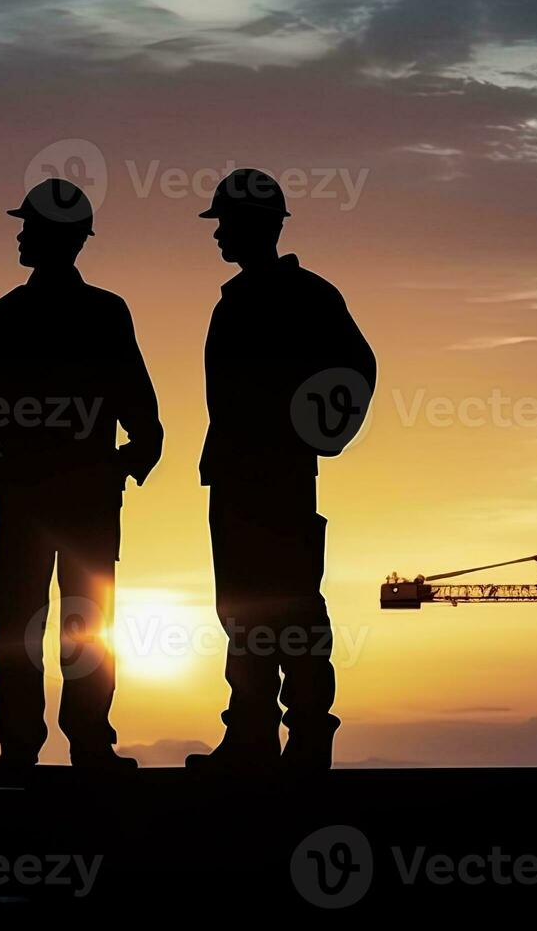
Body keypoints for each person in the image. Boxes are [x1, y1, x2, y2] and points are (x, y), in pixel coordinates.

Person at [0, 178, 163, 772]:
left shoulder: (8, 316)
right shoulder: (102, 314)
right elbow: (143, 417)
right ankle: (85, 742)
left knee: (29, 627)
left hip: (35, 502)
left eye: (30, 227)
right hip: (80, 503)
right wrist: (125, 465)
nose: (21, 236)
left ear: (55, 238)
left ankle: (28, 745)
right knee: (83, 626)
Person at [185, 168, 375, 776]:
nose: (218, 236)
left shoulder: (308, 297)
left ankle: (305, 736)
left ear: (253, 226)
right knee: (245, 612)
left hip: (279, 479)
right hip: (240, 478)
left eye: (225, 224)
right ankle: (253, 737)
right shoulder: (241, 299)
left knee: (291, 607)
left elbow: (356, 368)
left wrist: (317, 433)